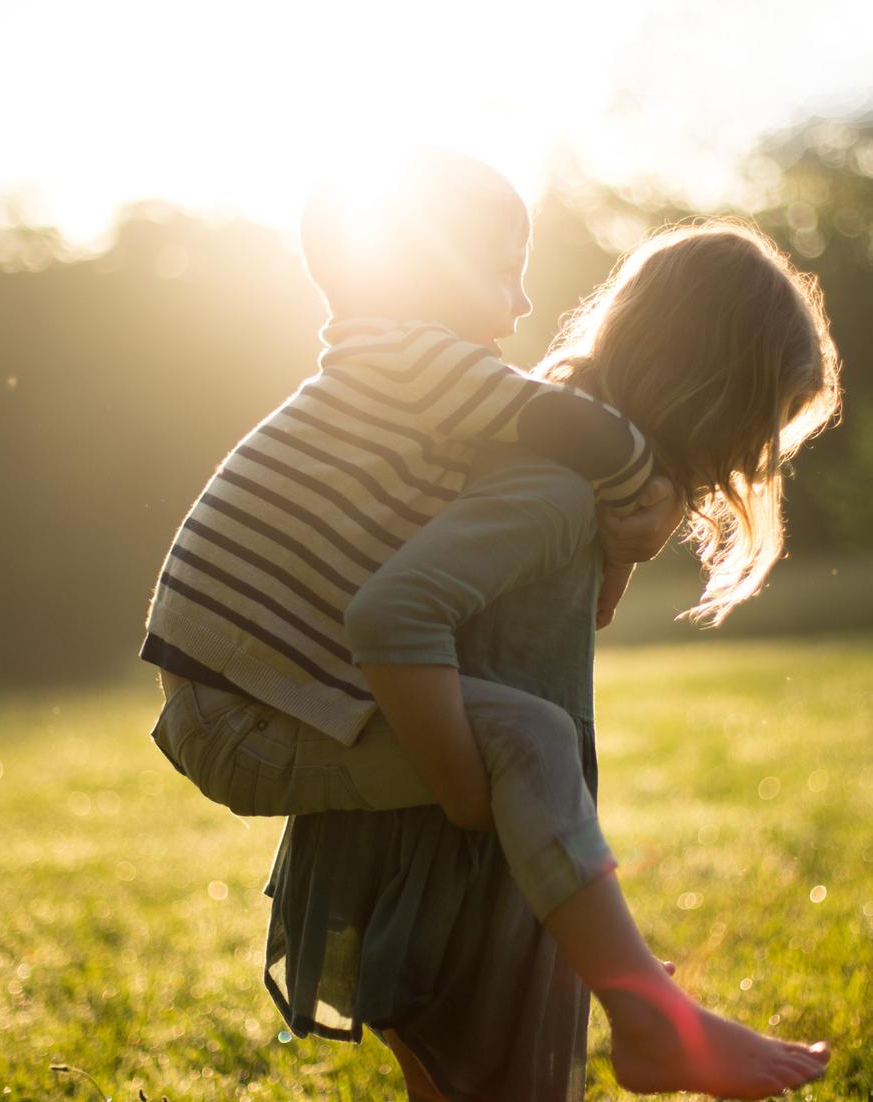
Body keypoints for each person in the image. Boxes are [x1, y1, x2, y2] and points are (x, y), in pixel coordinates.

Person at [263, 222, 841, 1100]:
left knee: (466, 1083)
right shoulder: (553, 488)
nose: (745, 461)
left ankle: (647, 1015)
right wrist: (463, 787)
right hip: (453, 834)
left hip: (484, 827)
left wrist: (622, 546)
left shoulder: (569, 477)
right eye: (754, 427)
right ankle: (652, 1021)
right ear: (707, 398)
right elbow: (394, 611)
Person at [142, 146, 673, 835]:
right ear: (426, 272)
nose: (525, 300)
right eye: (506, 271)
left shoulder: (390, 369)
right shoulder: (416, 361)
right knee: (531, 747)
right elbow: (586, 431)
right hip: (241, 717)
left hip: (231, 700)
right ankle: (495, 841)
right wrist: (645, 510)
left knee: (522, 738)